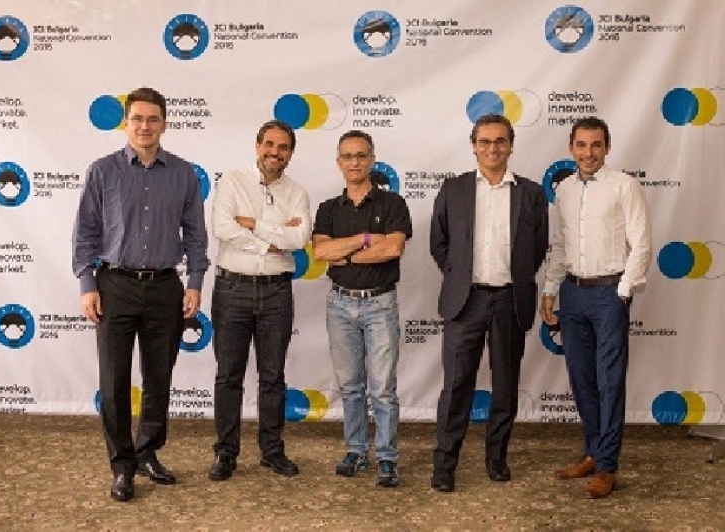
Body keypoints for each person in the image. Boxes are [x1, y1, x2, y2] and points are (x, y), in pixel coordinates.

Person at [71, 87, 210, 502]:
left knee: (158, 376)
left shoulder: (183, 173)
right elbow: (85, 233)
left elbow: (196, 235)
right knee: (114, 380)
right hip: (114, 286)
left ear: (164, 124)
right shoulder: (102, 171)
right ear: (125, 123)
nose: (144, 126)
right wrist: (87, 285)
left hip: (166, 287)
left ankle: (148, 452)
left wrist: (195, 282)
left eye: (152, 119)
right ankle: (122, 465)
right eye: (137, 118)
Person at [429, 114, 548, 493]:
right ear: (474, 146)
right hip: (465, 302)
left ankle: (497, 458)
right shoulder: (454, 189)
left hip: (510, 301)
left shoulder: (531, 193)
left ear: (511, 145)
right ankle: (445, 463)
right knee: (456, 386)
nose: (492, 148)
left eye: (500, 141)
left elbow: (538, 248)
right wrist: (460, 277)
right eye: (484, 141)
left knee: (505, 386)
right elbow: (439, 243)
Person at [541, 116, 651, 499]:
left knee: (609, 381)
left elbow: (641, 243)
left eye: (596, 145)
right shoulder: (565, 190)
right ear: (571, 148)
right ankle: (592, 452)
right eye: (582, 145)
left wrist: (622, 291)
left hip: (609, 295)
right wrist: (550, 290)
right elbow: (560, 245)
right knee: (582, 379)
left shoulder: (624, 185)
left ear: (607, 148)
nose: (588, 153)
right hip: (572, 294)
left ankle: (607, 466)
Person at [207, 120, 312, 481]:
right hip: (231, 290)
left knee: (272, 376)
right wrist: (270, 243)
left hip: (276, 292)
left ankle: (272, 450)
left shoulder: (297, 193)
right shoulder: (231, 181)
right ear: (257, 146)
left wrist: (253, 224)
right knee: (228, 375)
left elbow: (298, 239)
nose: (274, 152)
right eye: (269, 144)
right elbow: (223, 228)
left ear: (290, 153)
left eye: (283, 147)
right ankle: (225, 452)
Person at [312, 130, 412, 488]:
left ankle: (386, 457)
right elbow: (321, 252)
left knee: (382, 388)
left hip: (380, 303)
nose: (354, 162)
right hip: (339, 304)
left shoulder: (393, 204)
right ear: (339, 162)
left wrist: (347, 255)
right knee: (351, 386)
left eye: (361, 155)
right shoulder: (328, 209)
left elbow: (393, 249)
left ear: (372, 159)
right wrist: (366, 239)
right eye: (348, 156)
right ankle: (356, 450)